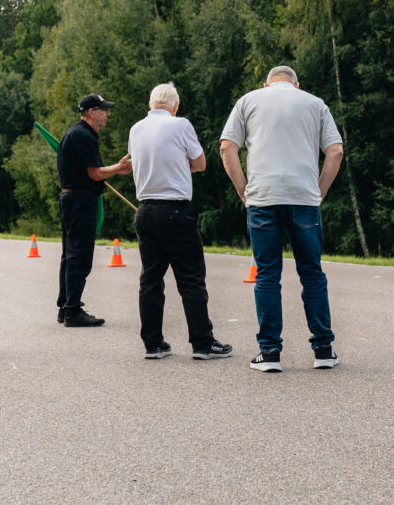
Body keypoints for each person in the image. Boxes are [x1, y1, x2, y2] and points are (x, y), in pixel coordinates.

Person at [219, 66, 344, 373]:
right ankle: (323, 350)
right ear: (296, 84)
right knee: (312, 273)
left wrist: (243, 190)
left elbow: (227, 147)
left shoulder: (249, 100)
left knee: (267, 275)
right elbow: (336, 151)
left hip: (263, 198)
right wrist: (320, 191)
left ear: (267, 84)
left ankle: (270, 353)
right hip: (303, 198)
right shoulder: (314, 103)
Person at [127, 83, 232, 360]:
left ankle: (153, 343)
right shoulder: (180, 125)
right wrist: (177, 164)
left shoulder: (136, 129)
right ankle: (202, 342)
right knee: (191, 279)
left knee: (150, 279)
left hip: (145, 210)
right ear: (175, 106)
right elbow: (200, 163)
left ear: (151, 105)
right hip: (175, 210)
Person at [56, 94, 132, 327]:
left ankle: (66, 306)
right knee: (79, 257)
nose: (107, 114)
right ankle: (72, 312)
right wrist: (118, 169)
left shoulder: (75, 133)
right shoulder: (84, 135)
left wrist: (115, 168)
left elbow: (93, 171)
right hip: (81, 201)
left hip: (72, 199)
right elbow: (95, 173)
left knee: (69, 256)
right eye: (104, 110)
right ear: (91, 112)